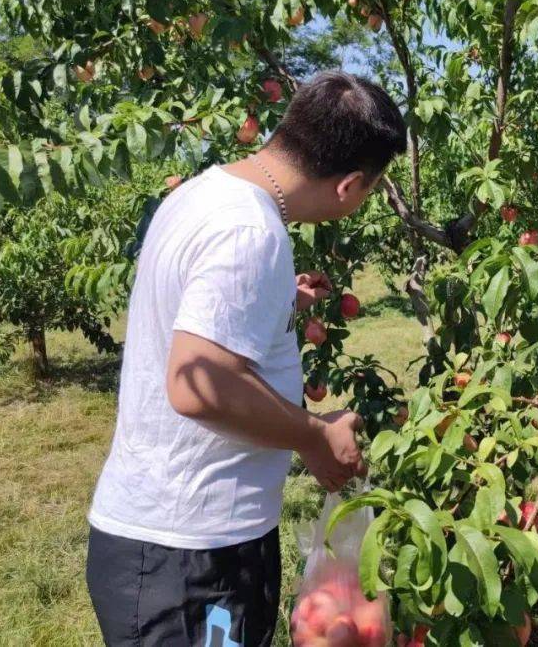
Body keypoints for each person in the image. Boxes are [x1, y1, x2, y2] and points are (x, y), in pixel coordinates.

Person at [86, 71, 407, 646]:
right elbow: (199, 384)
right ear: (350, 186)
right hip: (189, 557)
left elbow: (194, 315)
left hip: (178, 539)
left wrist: (280, 302)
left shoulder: (204, 193)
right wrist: (312, 433)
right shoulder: (250, 231)